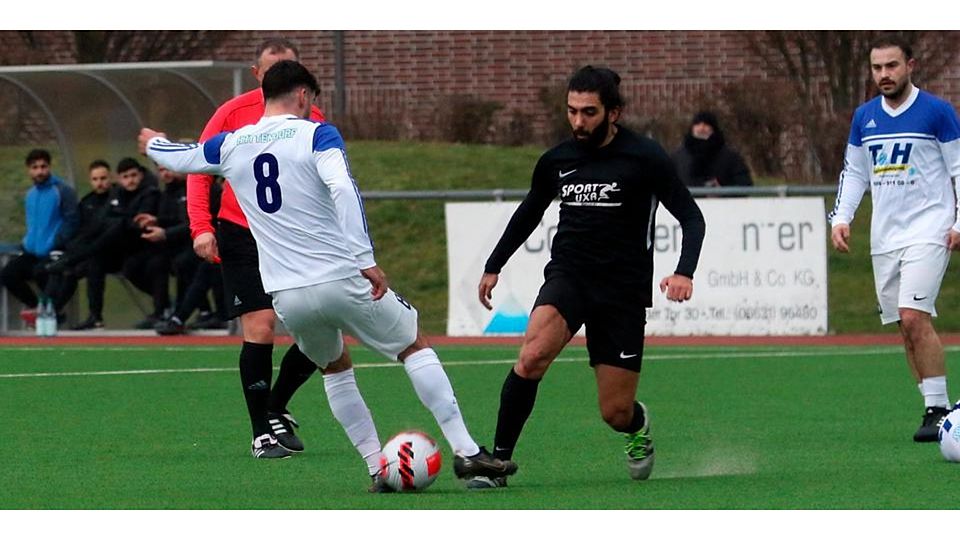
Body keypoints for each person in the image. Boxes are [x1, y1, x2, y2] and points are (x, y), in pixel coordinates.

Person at [141, 59, 517, 491]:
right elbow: (342, 187)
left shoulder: (232, 144)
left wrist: (154, 142)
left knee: (336, 368)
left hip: (286, 293)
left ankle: (377, 468)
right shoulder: (318, 133)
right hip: (340, 276)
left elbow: (182, 157)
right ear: (303, 95)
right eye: (311, 99)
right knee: (413, 344)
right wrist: (365, 257)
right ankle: (467, 451)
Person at [471, 65, 706, 488]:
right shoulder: (558, 160)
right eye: (572, 111)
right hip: (569, 277)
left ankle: (637, 427)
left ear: (613, 113)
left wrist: (684, 270)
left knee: (615, 412)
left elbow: (691, 216)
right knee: (532, 356)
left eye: (589, 112)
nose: (578, 122)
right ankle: (497, 464)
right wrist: (494, 264)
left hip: (622, 291)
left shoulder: (646, 157)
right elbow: (529, 212)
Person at [185, 38, 328, 459]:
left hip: (295, 236)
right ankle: (261, 432)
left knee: (321, 327)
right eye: (273, 69)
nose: (284, 78)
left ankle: (276, 406)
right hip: (242, 233)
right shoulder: (232, 113)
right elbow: (198, 168)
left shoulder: (312, 118)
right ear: (257, 73)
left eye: (291, 69)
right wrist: (201, 227)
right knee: (261, 324)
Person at [829, 34, 960, 443]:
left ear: (910, 66)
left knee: (913, 316)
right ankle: (935, 406)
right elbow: (854, 172)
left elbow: (959, 169)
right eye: (877, 67)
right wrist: (841, 217)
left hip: (929, 229)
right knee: (904, 328)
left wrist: (959, 221)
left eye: (891, 66)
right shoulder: (864, 117)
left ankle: (938, 410)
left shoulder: (937, 112)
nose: (884, 74)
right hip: (886, 237)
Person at [1, 149, 78, 325]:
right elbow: (33, 224)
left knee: (42, 272)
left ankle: (51, 310)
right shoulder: (30, 195)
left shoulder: (63, 191)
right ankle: (40, 308)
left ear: (49, 167)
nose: (39, 171)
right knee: (8, 274)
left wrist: (58, 242)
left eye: (43, 166)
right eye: (35, 167)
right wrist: (26, 243)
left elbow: (72, 221)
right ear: (29, 170)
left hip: (54, 250)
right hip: (32, 251)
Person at [44, 160, 116, 327]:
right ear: (90, 180)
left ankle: (95, 316)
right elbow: (81, 232)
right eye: (96, 179)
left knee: (93, 265)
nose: (100, 183)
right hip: (90, 253)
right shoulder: (87, 202)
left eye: (103, 178)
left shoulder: (117, 199)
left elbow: (111, 232)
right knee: (67, 269)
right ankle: (52, 311)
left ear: (111, 178)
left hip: (114, 253)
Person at [672, 110, 753, 189]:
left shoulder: (730, 157)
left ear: (713, 129)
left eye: (706, 124)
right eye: (697, 124)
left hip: (720, 202)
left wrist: (722, 191)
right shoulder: (678, 157)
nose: (701, 128)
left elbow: (744, 184)